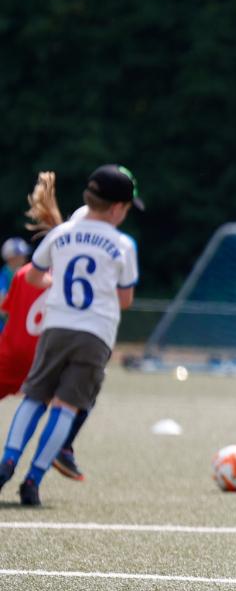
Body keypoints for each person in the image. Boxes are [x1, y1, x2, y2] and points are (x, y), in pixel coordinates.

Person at [0, 164, 142, 506]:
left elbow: (33, 277)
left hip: (56, 327)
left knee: (34, 397)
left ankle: (7, 462)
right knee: (65, 407)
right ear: (117, 208)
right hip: (95, 335)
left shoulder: (61, 234)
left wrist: (57, 282)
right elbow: (124, 300)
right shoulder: (123, 244)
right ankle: (33, 481)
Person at [0, 237, 32, 329]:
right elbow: (2, 307)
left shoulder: (21, 273)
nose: (24, 258)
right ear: (11, 258)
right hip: (5, 328)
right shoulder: (4, 276)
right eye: (20, 255)